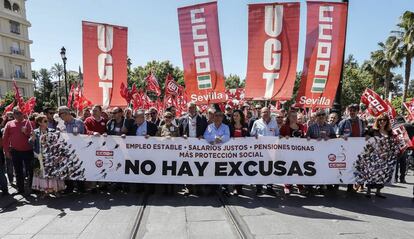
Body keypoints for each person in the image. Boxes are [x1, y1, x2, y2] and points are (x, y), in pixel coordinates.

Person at [29, 114, 65, 197]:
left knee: (53, 174)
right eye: (45, 121)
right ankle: (45, 191)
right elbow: (30, 143)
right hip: (40, 157)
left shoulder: (52, 131)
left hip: (51, 156)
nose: (47, 122)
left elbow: (58, 141)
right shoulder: (35, 132)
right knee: (42, 174)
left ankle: (55, 190)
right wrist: (32, 138)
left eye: (47, 121)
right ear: (39, 122)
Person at [2, 107, 35, 195]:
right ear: (13, 114)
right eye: (16, 113)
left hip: (28, 151)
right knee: (18, 171)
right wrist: (6, 151)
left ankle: (33, 187)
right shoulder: (9, 124)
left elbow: (34, 138)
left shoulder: (29, 123)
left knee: (31, 170)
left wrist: (26, 132)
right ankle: (20, 189)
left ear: (23, 113)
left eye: (20, 113)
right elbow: (5, 139)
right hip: (15, 151)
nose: (18, 115)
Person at [366, 114, 399, 198]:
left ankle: (378, 191)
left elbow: (392, 142)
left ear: (387, 121)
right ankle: (368, 191)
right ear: (377, 121)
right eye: (380, 120)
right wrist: (367, 137)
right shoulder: (372, 130)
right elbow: (366, 138)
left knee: (382, 174)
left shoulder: (389, 132)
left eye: (384, 120)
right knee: (372, 173)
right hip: (373, 156)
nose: (382, 122)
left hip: (385, 157)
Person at [179, 102, 208, 195]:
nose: (191, 109)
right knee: (187, 167)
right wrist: (182, 136)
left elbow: (206, 130)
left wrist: (203, 136)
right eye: (189, 108)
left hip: (199, 146)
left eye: (192, 107)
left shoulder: (202, 118)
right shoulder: (182, 119)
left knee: (199, 166)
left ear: (196, 108)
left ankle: (199, 187)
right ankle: (189, 187)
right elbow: (179, 132)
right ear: (187, 109)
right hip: (187, 147)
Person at [250, 107, 279, 195]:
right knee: (260, 168)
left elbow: (277, 134)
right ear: (260, 113)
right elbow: (252, 134)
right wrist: (254, 137)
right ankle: (259, 188)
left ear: (270, 112)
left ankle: (269, 187)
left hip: (271, 149)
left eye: (267, 112)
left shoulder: (274, 123)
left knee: (270, 168)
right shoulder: (256, 122)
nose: (265, 113)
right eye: (263, 112)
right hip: (260, 149)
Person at [338, 104, 366, 193]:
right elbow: (338, 134)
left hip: (358, 149)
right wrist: (341, 136)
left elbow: (363, 134)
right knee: (345, 167)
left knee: (356, 168)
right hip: (346, 149)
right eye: (350, 110)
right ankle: (340, 185)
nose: (352, 112)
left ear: (358, 112)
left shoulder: (361, 122)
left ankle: (351, 186)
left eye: (354, 110)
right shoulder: (343, 122)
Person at [58, 106, 86, 194]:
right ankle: (69, 188)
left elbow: (84, 136)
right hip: (65, 150)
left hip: (77, 150)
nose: (59, 116)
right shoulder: (61, 124)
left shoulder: (79, 122)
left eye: (60, 114)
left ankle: (81, 188)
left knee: (78, 168)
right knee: (66, 169)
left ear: (67, 113)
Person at [280, 110, 306, 195]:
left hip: (299, 152)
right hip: (288, 152)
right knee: (289, 168)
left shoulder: (301, 126)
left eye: (295, 116)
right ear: (288, 117)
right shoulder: (284, 127)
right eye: (292, 116)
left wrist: (307, 138)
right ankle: (287, 186)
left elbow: (304, 137)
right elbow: (279, 137)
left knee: (299, 168)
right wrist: (284, 137)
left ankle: (300, 185)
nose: (294, 118)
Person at [156, 111, 180, 195]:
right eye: (166, 117)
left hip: (173, 154)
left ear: (172, 118)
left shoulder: (176, 128)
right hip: (163, 153)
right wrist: (163, 139)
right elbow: (156, 139)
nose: (167, 119)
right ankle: (165, 189)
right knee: (164, 171)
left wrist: (173, 139)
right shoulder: (160, 128)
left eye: (169, 117)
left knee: (173, 171)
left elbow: (179, 140)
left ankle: (173, 189)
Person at [229, 109, 249, 195]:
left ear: (241, 116)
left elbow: (249, 136)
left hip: (243, 152)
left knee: (241, 169)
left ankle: (240, 188)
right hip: (232, 152)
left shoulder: (245, 125)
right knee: (234, 169)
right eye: (234, 115)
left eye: (237, 115)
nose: (235, 117)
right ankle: (235, 188)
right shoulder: (230, 126)